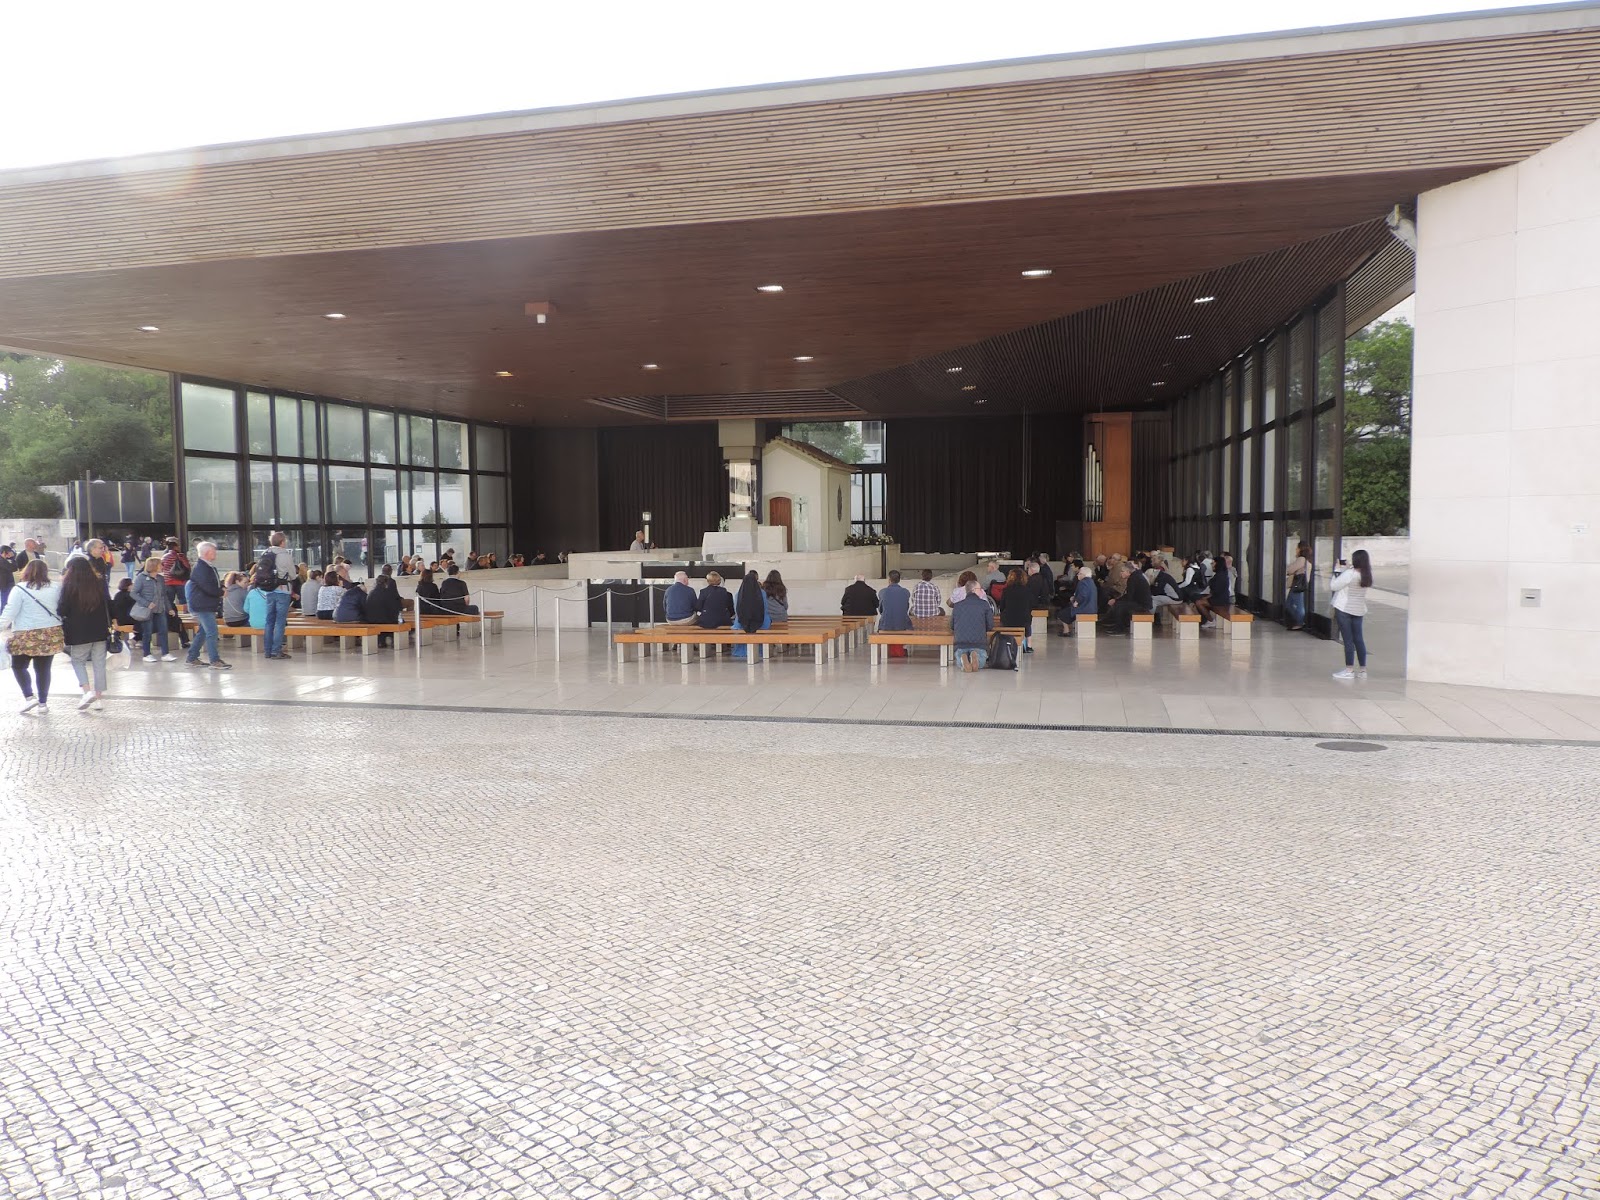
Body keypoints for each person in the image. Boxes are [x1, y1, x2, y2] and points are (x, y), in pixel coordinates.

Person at [1, 559, 64, 713]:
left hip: (25, 634)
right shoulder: (56, 588)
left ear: (26, 571)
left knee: (18, 666)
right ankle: (43, 703)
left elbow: (10, 612)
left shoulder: (19, 589)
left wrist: (1, 625)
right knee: (43, 669)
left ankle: (29, 697)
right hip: (50, 634)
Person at [59, 556, 113, 709]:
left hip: (78, 631)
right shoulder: (100, 582)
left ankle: (87, 691)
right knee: (99, 663)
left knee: (78, 660)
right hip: (99, 628)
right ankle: (99, 698)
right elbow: (109, 603)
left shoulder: (69, 585)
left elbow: (62, 609)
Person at [181, 541, 231, 669]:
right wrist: (221, 592)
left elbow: (212, 583)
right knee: (212, 632)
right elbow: (207, 586)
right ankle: (214, 660)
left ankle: (191, 658)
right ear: (208, 552)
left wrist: (221, 587)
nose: (216, 554)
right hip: (202, 605)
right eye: (214, 551)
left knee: (203, 632)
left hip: (205, 603)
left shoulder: (207, 566)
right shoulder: (201, 568)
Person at [1330, 549, 1373, 681]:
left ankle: (1349, 669)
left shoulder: (1349, 574)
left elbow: (1334, 586)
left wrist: (1337, 570)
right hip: (1358, 609)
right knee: (1358, 639)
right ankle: (1363, 670)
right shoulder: (1366, 575)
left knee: (1348, 640)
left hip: (1344, 609)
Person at [258, 531, 296, 659]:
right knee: (280, 622)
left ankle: (267, 651)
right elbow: (293, 575)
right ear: (282, 542)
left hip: (269, 590)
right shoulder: (285, 555)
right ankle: (276, 651)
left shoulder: (265, 553)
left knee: (269, 621)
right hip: (283, 590)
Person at [131, 555, 176, 661]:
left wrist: (169, 608)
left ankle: (165, 653)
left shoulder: (160, 578)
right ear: (154, 566)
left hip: (160, 609)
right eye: (161, 565)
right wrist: (146, 603)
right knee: (147, 632)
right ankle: (146, 654)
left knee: (163, 631)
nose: (162, 567)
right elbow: (133, 593)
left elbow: (164, 595)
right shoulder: (141, 578)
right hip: (147, 610)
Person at [950, 577, 994, 671]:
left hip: (960, 644)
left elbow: (952, 625)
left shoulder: (957, 605)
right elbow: (990, 625)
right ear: (974, 590)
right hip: (979, 643)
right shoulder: (984, 604)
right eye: (980, 589)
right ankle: (976, 656)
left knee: (960, 663)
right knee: (981, 663)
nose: (981, 591)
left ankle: (963, 659)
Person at [158, 537, 193, 651]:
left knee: (169, 603)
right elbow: (187, 567)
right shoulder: (180, 556)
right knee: (184, 600)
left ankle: (172, 614)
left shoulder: (164, 557)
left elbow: (162, 568)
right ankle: (188, 615)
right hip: (179, 582)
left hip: (168, 582)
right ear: (176, 546)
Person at [1102, 564, 1152, 634]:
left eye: (1122, 571)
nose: (1120, 573)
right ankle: (1115, 624)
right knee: (1120, 604)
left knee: (1119, 606)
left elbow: (1129, 596)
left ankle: (1119, 628)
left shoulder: (1133, 579)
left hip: (1142, 605)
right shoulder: (1135, 576)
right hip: (1140, 602)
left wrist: (1116, 600)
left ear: (1128, 572)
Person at [729, 570, 769, 659]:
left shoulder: (738, 594)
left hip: (741, 623)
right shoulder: (762, 593)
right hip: (761, 622)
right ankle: (760, 650)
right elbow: (765, 608)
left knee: (738, 625)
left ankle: (741, 650)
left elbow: (737, 610)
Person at [999, 568, 1034, 652]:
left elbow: (1002, 606)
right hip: (1023, 620)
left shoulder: (1006, 590)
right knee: (1027, 619)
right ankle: (1029, 646)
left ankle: (1007, 643)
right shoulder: (1027, 590)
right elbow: (1031, 605)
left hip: (1008, 619)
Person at [366, 575, 404, 646]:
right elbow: (396, 608)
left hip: (371, 620)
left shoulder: (371, 593)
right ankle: (394, 640)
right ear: (386, 583)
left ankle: (381, 641)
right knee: (400, 621)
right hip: (385, 620)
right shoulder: (389, 593)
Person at [1285, 540, 1312, 631]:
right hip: (1299, 585)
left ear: (1301, 549)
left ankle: (1299, 623)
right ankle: (1296, 621)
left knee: (1296, 605)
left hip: (1297, 585)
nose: (1296, 549)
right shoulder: (1306, 559)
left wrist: (1289, 569)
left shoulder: (1301, 559)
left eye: (1297, 548)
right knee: (1291, 604)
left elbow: (1290, 569)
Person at [1204, 552, 1234, 628]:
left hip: (1220, 600)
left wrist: (1207, 597)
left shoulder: (1221, 575)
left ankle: (1211, 620)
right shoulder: (1220, 574)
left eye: (1213, 563)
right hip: (1219, 598)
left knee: (1199, 602)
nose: (1211, 565)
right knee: (1200, 600)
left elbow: (1216, 591)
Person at [1066, 564, 1097, 635]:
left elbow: (1083, 594)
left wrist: (1076, 602)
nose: (1077, 575)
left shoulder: (1083, 582)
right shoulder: (1091, 581)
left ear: (1083, 575)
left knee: (1063, 614)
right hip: (1091, 607)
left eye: (1079, 573)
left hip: (1085, 608)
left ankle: (1066, 631)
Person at [110, 577, 136, 642]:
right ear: (128, 586)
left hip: (118, 620)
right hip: (128, 620)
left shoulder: (117, 595)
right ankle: (136, 639)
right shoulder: (130, 595)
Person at [0, 546, 14, 613]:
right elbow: (13, 568)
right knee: (5, 602)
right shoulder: (2, 560)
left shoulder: (4, 560)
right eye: (9, 552)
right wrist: (12, 558)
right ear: (4, 552)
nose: (10, 554)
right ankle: (2, 615)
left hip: (6, 583)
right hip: (5, 584)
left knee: (5, 601)